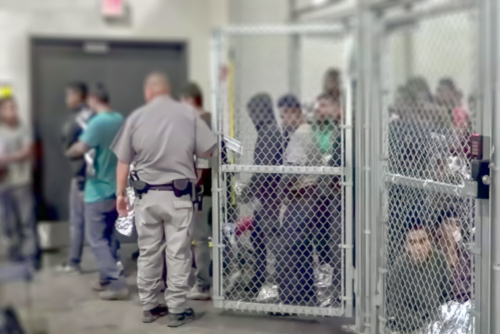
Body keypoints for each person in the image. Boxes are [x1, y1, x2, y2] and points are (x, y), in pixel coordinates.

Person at [111, 72, 216, 327]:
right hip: (179, 197)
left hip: (146, 198)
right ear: (167, 91)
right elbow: (208, 149)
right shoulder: (188, 114)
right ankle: (177, 309)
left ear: (148, 92)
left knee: (148, 251)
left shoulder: (136, 118)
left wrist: (120, 194)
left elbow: (123, 160)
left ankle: (149, 306)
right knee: (178, 252)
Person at [65, 84, 127, 300]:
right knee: (110, 236)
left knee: (96, 238)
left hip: (97, 189)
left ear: (92, 99)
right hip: (116, 188)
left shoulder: (97, 122)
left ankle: (117, 283)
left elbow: (80, 149)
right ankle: (105, 278)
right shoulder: (119, 119)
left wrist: (69, 150)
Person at [275, 93, 320, 307]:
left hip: (301, 197)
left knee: (287, 249)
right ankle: (306, 296)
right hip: (310, 197)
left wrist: (279, 190)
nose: (283, 121)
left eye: (284, 115)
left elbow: (293, 169)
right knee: (301, 250)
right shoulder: (311, 131)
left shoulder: (300, 135)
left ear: (295, 112)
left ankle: (289, 299)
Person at [238, 93, 283, 296]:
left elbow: (263, 168)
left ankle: (274, 284)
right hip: (266, 195)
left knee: (269, 241)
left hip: (270, 197)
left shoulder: (269, 133)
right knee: (258, 237)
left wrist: (248, 190)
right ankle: (260, 279)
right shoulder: (268, 131)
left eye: (253, 113)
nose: (252, 118)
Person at [387, 223, 453, 333]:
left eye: (422, 241)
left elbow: (447, 294)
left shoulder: (439, 258)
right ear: (406, 246)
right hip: (410, 323)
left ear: (430, 242)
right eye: (412, 243)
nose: (418, 248)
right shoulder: (399, 266)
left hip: (437, 318)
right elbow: (395, 307)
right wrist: (421, 325)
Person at [57, 82, 94, 273]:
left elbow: (66, 137)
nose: (66, 99)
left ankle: (74, 261)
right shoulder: (95, 115)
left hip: (82, 175)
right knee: (103, 221)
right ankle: (114, 259)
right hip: (99, 175)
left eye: (68, 95)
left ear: (77, 95)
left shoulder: (77, 119)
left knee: (78, 220)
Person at [180, 82, 212, 301]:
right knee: (209, 237)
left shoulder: (200, 123)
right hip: (210, 188)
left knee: (200, 238)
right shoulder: (210, 120)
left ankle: (203, 285)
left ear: (190, 101)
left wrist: (195, 188)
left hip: (202, 190)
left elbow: (203, 161)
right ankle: (210, 279)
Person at [0, 97, 39, 268]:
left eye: (13, 107)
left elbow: (27, 151)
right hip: (4, 184)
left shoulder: (24, 128)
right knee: (9, 222)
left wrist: (5, 159)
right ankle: (15, 253)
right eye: (8, 108)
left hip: (22, 182)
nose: (12, 111)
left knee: (26, 221)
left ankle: (30, 256)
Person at [435, 210, 472, 303]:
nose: (454, 228)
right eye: (449, 224)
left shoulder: (468, 255)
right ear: (439, 229)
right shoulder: (433, 255)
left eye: (457, 224)